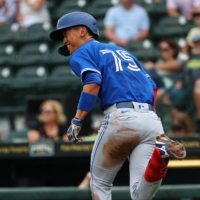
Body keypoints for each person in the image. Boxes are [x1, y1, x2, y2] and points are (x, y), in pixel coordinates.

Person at [49, 12, 186, 200]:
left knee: (99, 183)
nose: (64, 40)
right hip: (152, 121)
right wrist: (146, 119)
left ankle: (160, 154)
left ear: (82, 31)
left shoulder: (81, 52)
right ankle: (160, 158)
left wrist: (77, 120)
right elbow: (152, 86)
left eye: (65, 33)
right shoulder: (123, 52)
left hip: (121, 117)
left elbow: (92, 80)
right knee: (140, 195)